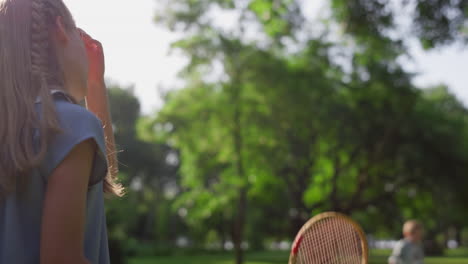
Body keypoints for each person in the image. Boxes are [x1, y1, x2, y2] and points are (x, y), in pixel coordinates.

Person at [0, 0, 123, 263]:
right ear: (60, 30)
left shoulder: (12, 126)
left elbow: (101, 176)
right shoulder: (71, 124)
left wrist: (95, 85)